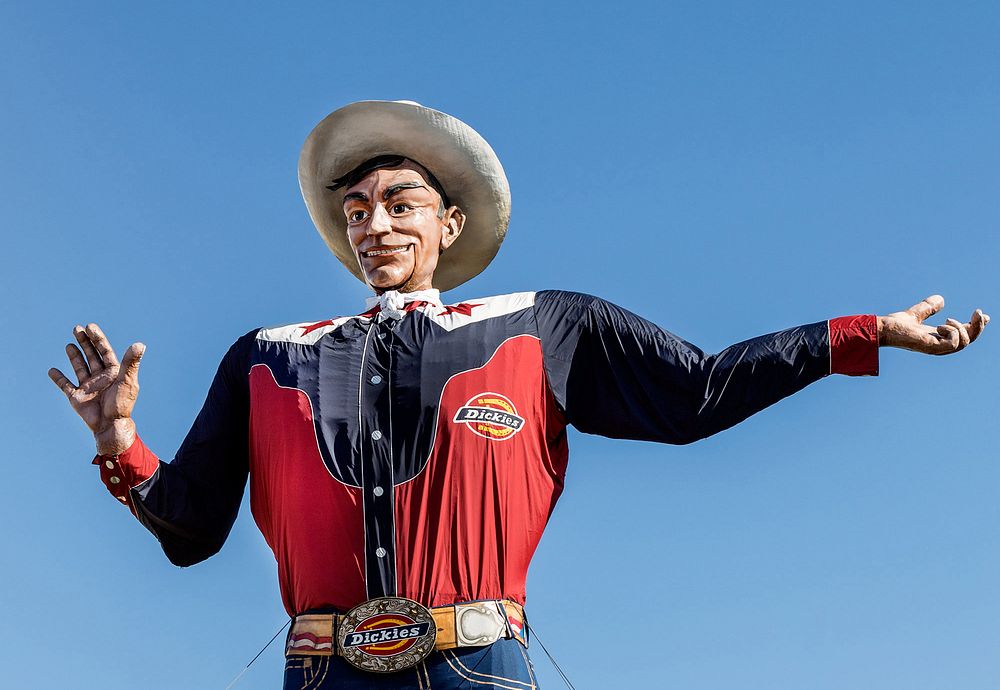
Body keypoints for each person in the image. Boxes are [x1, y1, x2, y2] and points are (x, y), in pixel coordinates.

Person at [49, 101, 989, 689]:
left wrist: (857, 333)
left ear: (449, 222)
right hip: (321, 670)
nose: (376, 223)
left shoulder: (542, 325)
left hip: (478, 666)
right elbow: (191, 530)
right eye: (357, 211)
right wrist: (118, 440)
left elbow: (694, 395)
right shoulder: (264, 357)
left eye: (400, 203)